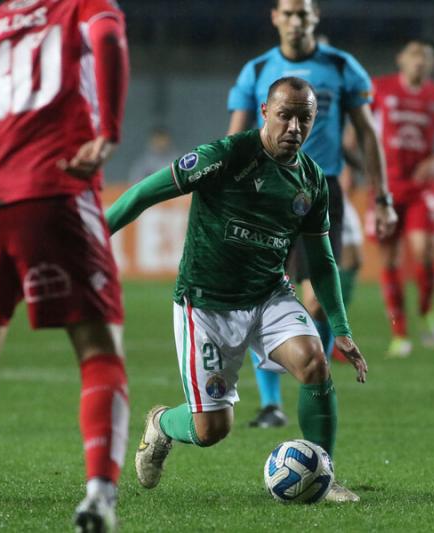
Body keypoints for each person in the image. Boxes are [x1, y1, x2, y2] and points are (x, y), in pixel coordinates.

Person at [107, 77, 369, 503]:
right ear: (265, 111)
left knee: (314, 363)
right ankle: (161, 424)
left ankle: (325, 471)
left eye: (305, 118)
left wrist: (341, 327)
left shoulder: (312, 181)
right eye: (285, 116)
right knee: (213, 430)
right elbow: (141, 193)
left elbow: (321, 261)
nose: (295, 128)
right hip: (206, 304)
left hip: (269, 296)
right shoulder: (227, 156)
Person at [0, 0, 130, 530]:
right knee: (98, 351)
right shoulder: (81, 7)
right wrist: (109, 130)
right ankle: (99, 496)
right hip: (53, 188)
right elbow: (110, 41)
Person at [226, 0, 396, 428]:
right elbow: (236, 135)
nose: (296, 21)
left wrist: (382, 196)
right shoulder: (257, 69)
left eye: (304, 14)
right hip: (263, 195)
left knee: (315, 299)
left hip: (320, 193)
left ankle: (311, 381)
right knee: (256, 297)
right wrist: (230, 190)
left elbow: (367, 132)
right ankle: (270, 404)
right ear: (275, 18)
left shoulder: (342, 66)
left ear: (314, 19)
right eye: (289, 13)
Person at [369, 39, 434, 358]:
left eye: (425, 57)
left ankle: (426, 309)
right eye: (413, 55)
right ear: (401, 59)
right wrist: (359, 161)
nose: (419, 62)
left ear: (432, 63)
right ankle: (400, 333)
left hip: (421, 186)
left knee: (424, 253)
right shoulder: (379, 89)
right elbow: (357, 130)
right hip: (386, 185)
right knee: (390, 260)